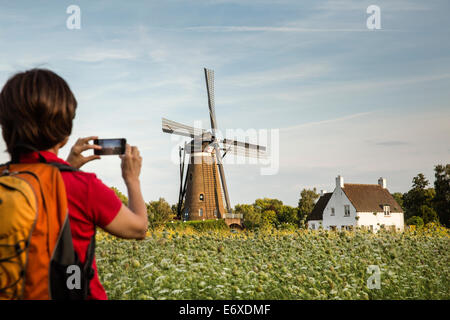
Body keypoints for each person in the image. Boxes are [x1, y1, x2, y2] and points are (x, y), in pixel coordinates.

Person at [0, 68, 148, 300]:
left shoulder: (5, 181)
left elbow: (42, 184)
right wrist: (132, 179)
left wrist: (68, 164)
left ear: (5, 127)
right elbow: (138, 228)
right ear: (65, 133)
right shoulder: (83, 187)